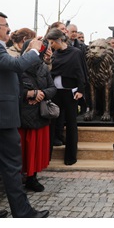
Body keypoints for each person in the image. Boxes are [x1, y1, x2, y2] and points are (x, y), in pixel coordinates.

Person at [0, 10, 48, 218]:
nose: (9, 29)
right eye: (5, 25)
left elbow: (12, 70)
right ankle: (23, 213)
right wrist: (33, 51)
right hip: (2, 118)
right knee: (12, 167)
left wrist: (29, 50)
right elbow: (14, 66)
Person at [13, 30, 56, 192]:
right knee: (21, 151)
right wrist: (29, 94)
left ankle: (32, 177)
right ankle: (20, 178)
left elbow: (52, 88)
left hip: (39, 114)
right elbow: (12, 90)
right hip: (22, 116)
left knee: (35, 151)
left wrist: (42, 94)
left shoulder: (43, 68)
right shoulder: (17, 67)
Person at [45, 27, 86, 163]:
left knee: (71, 124)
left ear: (58, 40)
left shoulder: (76, 53)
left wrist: (81, 90)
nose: (50, 45)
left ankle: (70, 157)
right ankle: (47, 156)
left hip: (70, 93)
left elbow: (81, 72)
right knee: (51, 124)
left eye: (52, 42)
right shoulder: (53, 54)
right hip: (55, 93)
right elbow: (49, 72)